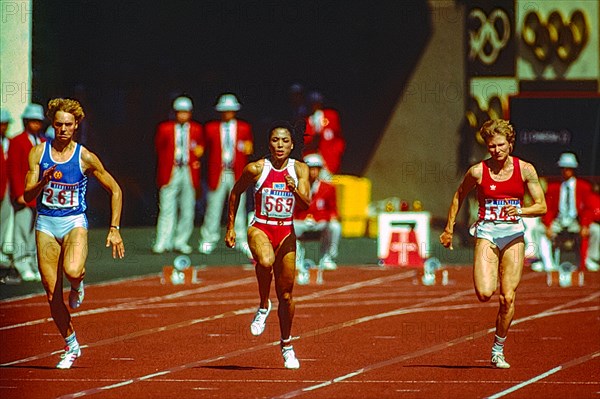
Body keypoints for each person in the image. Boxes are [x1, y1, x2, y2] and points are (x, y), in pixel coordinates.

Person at [23, 98, 125, 369]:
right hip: (46, 223)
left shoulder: (85, 157)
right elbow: (26, 194)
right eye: (58, 125)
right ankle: (71, 345)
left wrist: (114, 229)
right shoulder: (38, 153)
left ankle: (79, 283)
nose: (63, 130)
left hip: (73, 223)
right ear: (52, 124)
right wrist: (43, 181)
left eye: (68, 125)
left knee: (72, 269)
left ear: (77, 125)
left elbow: (115, 189)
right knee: (51, 292)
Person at [439, 119, 546, 369]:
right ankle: (492, 269)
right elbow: (459, 195)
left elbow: (541, 206)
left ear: (510, 144)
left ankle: (498, 349)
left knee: (507, 298)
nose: (496, 150)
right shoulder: (478, 171)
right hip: (487, 233)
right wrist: (449, 228)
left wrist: (520, 210)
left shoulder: (525, 170)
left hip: (513, 235)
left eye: (500, 145)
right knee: (485, 293)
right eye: (491, 146)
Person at [225, 124, 310, 369]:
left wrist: (294, 189)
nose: (280, 145)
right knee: (265, 261)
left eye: (285, 141)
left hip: (286, 231)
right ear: (269, 144)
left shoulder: (300, 170)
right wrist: (230, 227)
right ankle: (263, 304)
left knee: (286, 294)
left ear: (292, 145)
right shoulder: (256, 169)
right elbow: (235, 192)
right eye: (275, 140)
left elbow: (306, 204)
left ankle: (286, 345)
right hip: (260, 226)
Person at [198, 93, 253, 259]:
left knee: (239, 206)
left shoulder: (244, 128)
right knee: (213, 206)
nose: (227, 113)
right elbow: (203, 149)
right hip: (219, 171)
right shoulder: (211, 128)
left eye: (230, 110)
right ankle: (209, 239)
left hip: (236, 172)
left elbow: (248, 149)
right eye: (224, 110)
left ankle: (241, 238)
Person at [153, 96, 204, 254]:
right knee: (167, 207)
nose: (183, 115)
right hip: (172, 169)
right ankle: (163, 241)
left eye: (186, 112)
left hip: (188, 170)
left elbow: (200, 148)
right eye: (180, 112)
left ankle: (181, 241)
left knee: (188, 207)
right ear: (175, 113)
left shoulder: (196, 129)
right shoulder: (165, 128)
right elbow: (159, 147)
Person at [539, 152, 599, 271]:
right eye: (563, 168)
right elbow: (548, 208)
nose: (565, 171)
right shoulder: (553, 187)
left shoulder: (583, 186)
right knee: (538, 230)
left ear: (573, 169)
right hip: (559, 221)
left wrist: (585, 225)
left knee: (596, 231)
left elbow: (588, 208)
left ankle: (590, 259)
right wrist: (548, 225)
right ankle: (547, 262)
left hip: (576, 222)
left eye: (568, 168)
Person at [7, 103, 46, 281]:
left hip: (40, 196)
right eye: (32, 121)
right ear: (26, 122)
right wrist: (18, 193)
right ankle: (21, 262)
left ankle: (32, 262)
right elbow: (14, 169)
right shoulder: (17, 141)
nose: (36, 125)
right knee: (21, 230)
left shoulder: (44, 142)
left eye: (38, 121)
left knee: (35, 232)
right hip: (24, 194)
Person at [294, 153, 341, 283]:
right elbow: (293, 209)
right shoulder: (297, 186)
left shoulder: (328, 188)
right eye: (311, 168)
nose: (313, 172)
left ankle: (327, 257)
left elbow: (333, 210)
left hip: (320, 222)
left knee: (335, 226)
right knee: (288, 226)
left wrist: (328, 218)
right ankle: (296, 260)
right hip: (302, 222)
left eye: (316, 169)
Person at [303, 91, 345, 177]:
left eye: (317, 103)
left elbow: (339, 136)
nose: (314, 106)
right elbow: (306, 144)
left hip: (331, 159)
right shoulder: (306, 122)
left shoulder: (331, 116)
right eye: (312, 103)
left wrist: (337, 151)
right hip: (314, 160)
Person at [1, 109, 15, 270]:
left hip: (5, 187)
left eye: (5, 124)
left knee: (4, 218)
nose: (3, 127)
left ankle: (1, 248)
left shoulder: (9, 141)